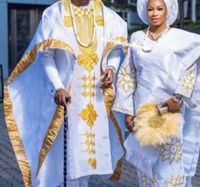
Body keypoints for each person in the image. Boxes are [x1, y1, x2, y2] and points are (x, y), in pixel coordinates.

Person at [4, 0, 127, 186]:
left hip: (96, 99)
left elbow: (116, 50)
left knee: (88, 161)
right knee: (68, 159)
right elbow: (45, 55)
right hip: (67, 100)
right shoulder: (54, 13)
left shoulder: (107, 15)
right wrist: (58, 86)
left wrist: (111, 68)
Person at [113, 0, 200, 186]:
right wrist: (128, 111)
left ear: (168, 11)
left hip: (169, 110)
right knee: (147, 168)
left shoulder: (179, 39)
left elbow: (189, 69)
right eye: (150, 9)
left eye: (159, 8)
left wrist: (178, 98)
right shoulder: (137, 38)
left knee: (170, 166)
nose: (154, 13)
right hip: (143, 113)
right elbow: (128, 74)